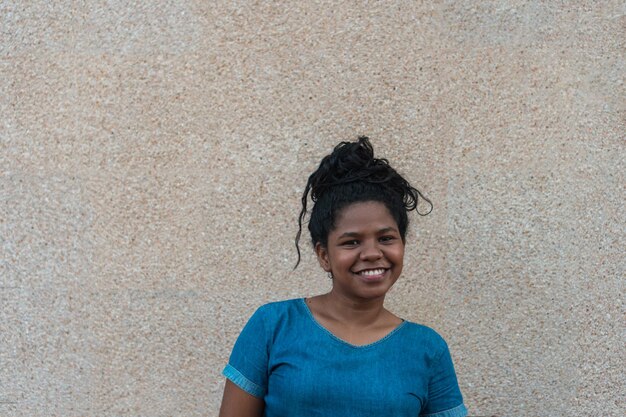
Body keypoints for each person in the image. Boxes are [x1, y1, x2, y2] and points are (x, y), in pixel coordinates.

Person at [219, 137, 467, 417]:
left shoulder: (428, 349)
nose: (372, 253)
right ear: (324, 255)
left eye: (386, 238)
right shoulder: (273, 326)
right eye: (351, 242)